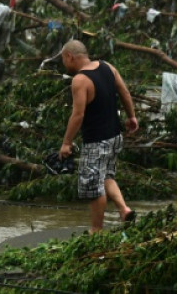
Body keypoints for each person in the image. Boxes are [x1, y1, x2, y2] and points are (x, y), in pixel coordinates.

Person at [59, 40, 139, 233]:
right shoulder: (108, 67)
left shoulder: (80, 80)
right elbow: (124, 92)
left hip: (96, 141)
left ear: (70, 56)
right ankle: (124, 209)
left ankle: (96, 230)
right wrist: (132, 116)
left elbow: (78, 115)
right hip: (114, 136)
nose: (64, 64)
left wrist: (66, 143)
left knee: (94, 187)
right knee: (106, 176)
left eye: (63, 59)